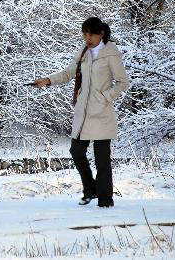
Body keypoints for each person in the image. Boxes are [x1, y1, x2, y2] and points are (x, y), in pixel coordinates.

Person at [32, 17, 130, 207]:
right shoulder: (84, 51)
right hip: (83, 113)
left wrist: (104, 97)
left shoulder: (111, 54)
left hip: (101, 113)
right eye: (85, 34)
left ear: (100, 34)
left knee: (102, 160)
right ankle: (91, 189)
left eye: (91, 34)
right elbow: (69, 73)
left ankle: (105, 201)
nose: (87, 38)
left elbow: (123, 82)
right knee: (76, 151)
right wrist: (48, 80)